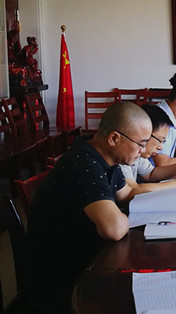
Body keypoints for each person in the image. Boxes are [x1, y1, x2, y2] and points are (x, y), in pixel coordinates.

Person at [25, 101, 152, 314]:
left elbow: (126, 194)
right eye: (140, 143)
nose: (143, 150)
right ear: (114, 138)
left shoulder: (106, 158)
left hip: (90, 259)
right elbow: (113, 229)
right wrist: (120, 215)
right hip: (64, 281)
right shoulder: (82, 163)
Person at [120, 104, 176, 200]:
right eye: (159, 140)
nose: (161, 147)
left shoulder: (139, 155)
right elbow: (132, 190)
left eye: (163, 142)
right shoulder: (124, 156)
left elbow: (150, 174)